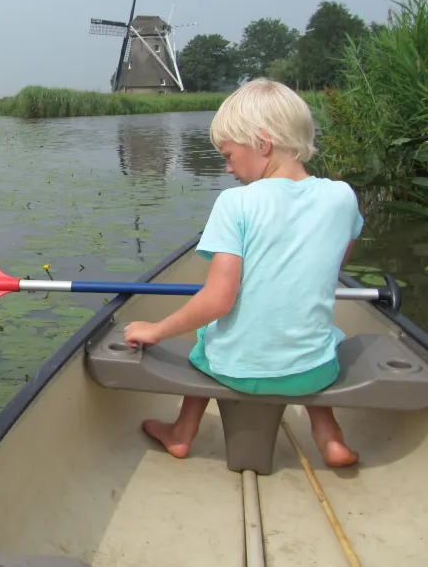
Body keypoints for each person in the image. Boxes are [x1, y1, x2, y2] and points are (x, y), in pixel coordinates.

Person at [123, 78, 363, 468]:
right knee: (325, 339)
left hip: (237, 372)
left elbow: (218, 301)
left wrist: (156, 329)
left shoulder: (235, 203)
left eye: (229, 154)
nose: (227, 167)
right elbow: (335, 265)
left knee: (207, 338)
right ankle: (330, 438)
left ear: (263, 144)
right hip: (313, 373)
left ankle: (182, 432)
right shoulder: (342, 196)